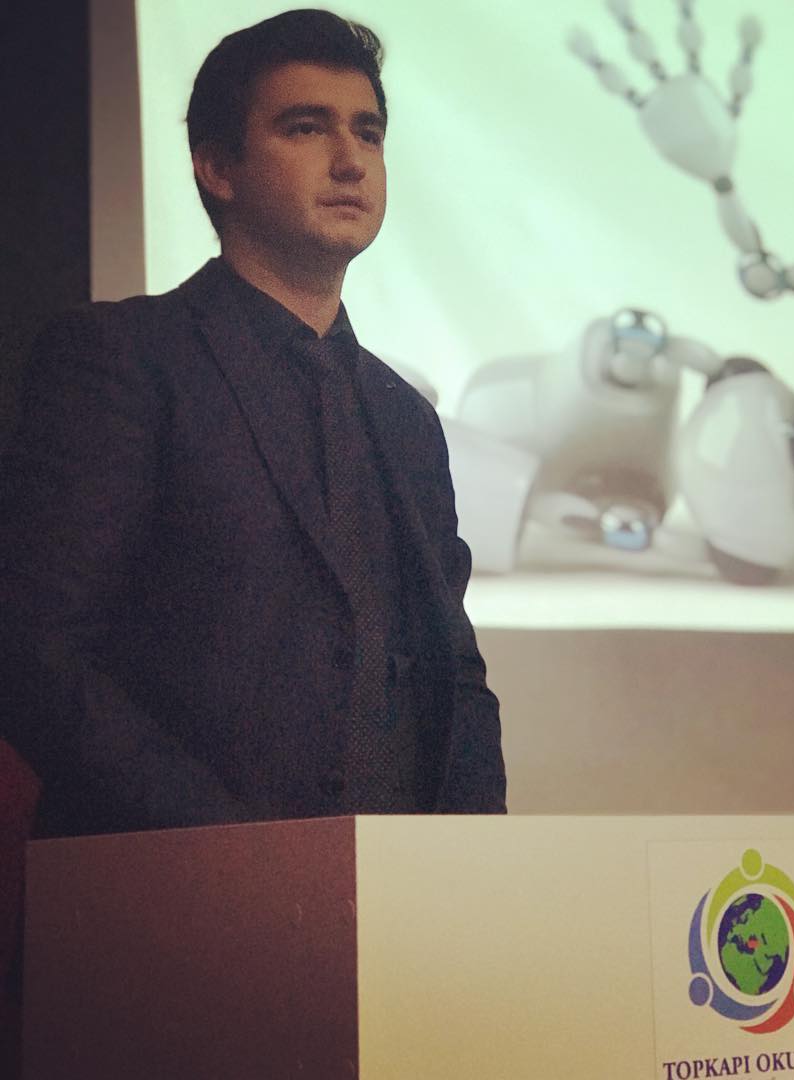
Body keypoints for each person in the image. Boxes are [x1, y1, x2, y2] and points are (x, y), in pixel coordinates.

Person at [0, 9, 506, 837]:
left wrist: (470, 856)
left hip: (406, 891)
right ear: (217, 168)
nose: (351, 160)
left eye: (369, 133)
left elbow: (455, 673)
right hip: (172, 880)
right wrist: (225, 843)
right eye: (306, 128)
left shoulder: (407, 417)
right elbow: (32, 647)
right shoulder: (122, 359)